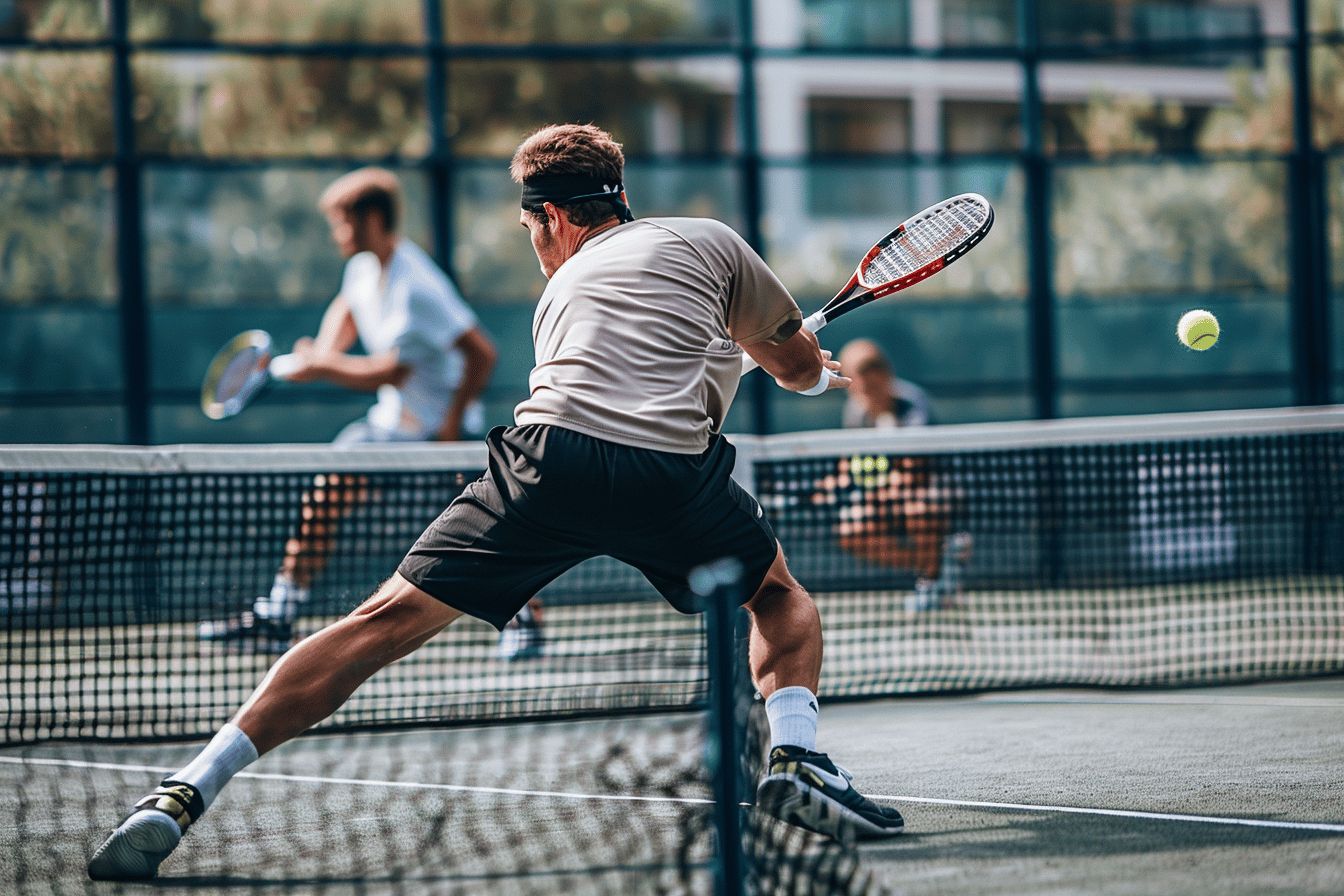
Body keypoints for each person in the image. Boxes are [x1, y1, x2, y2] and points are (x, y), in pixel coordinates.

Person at [88, 124, 904, 883]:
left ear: (551, 217)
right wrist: (793, 359)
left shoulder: (563, 290)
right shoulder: (711, 241)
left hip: (551, 461)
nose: (537, 250)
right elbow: (791, 370)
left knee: (377, 624)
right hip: (671, 475)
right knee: (778, 598)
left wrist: (740, 352)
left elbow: (616, 386)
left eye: (531, 234)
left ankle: (186, 790)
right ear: (617, 196)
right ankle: (795, 756)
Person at [193, 167, 527, 656]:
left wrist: (453, 422)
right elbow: (346, 311)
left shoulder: (417, 287)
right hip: (393, 428)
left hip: (443, 435)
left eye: (342, 222)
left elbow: (477, 354)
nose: (336, 235)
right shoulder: (362, 270)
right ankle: (279, 614)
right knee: (325, 494)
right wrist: (322, 351)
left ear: (371, 220)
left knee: (490, 529)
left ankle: (526, 621)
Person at [833, 338, 971, 611]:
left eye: (871, 384)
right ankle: (937, 564)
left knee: (918, 509)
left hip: (934, 488)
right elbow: (849, 463)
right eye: (857, 386)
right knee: (852, 530)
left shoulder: (913, 405)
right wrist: (834, 484)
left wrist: (876, 493)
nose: (864, 393)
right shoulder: (855, 412)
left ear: (886, 375)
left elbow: (914, 470)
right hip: (885, 495)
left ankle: (931, 582)